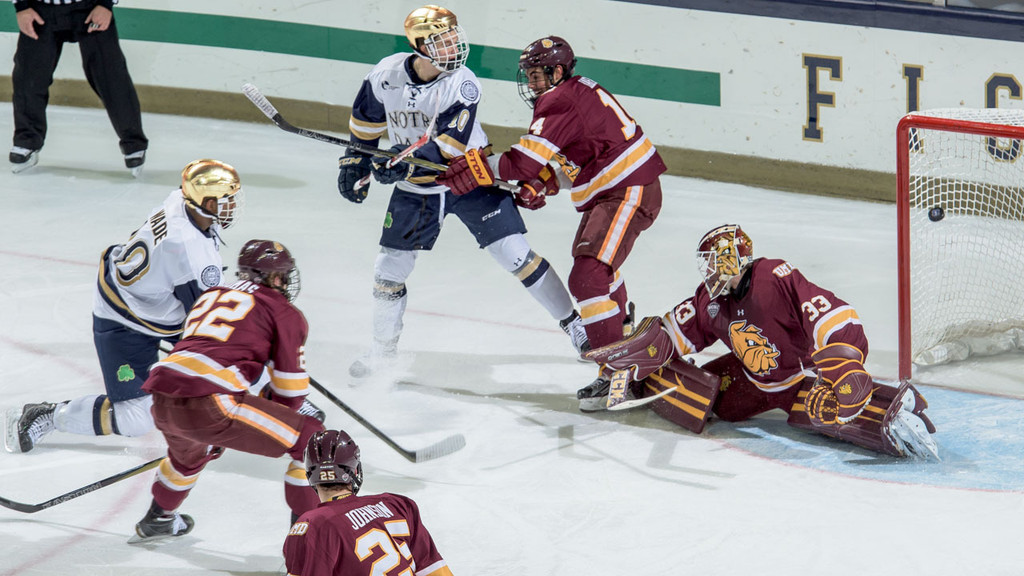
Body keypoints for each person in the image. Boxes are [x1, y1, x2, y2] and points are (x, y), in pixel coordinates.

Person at [337, 5, 588, 378]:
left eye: (455, 35)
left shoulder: (464, 81)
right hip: (415, 189)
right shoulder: (385, 74)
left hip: (469, 179)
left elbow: (450, 146)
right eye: (443, 39)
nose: (454, 44)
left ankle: (574, 326)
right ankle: (382, 353)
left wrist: (404, 160)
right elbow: (365, 123)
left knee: (515, 254)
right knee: (389, 270)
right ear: (420, 44)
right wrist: (354, 162)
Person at [583, 224, 939, 459]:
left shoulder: (773, 277)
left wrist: (845, 363)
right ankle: (646, 382)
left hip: (799, 382)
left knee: (829, 410)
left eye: (711, 263)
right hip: (750, 382)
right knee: (712, 403)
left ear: (729, 259)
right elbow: (674, 332)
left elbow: (829, 312)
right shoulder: (711, 301)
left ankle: (890, 410)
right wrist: (642, 353)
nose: (706, 271)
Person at [436, 35, 666, 397]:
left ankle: (615, 371)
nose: (530, 83)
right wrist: (543, 181)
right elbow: (575, 153)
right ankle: (622, 337)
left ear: (557, 71)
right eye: (527, 75)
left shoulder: (559, 100)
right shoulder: (574, 92)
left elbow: (521, 162)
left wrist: (479, 166)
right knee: (599, 271)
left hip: (627, 190)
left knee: (588, 278)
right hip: (614, 191)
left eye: (537, 75)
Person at [4, 159, 244, 454]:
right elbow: (205, 321)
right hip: (124, 320)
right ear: (206, 201)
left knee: (231, 351)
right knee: (135, 419)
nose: (232, 205)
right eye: (226, 199)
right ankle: (48, 415)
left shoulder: (179, 201)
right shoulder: (189, 251)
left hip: (155, 302)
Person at [128, 239, 326, 543]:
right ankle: (305, 549)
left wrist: (219, 428)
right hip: (211, 401)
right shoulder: (283, 311)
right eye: (284, 276)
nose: (285, 283)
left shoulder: (212, 295)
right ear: (275, 278)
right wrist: (233, 422)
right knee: (314, 441)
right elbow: (290, 395)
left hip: (163, 395)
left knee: (188, 457)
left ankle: (159, 519)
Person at [283, 429, 455, 576]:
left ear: (310, 476)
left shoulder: (311, 525)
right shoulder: (397, 504)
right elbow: (433, 569)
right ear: (355, 470)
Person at [10, 0, 148, 175]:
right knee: (28, 77)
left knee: (111, 77)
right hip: (39, 10)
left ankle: (134, 144)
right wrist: (22, 6)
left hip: (91, 7)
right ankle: (27, 141)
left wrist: (106, 5)